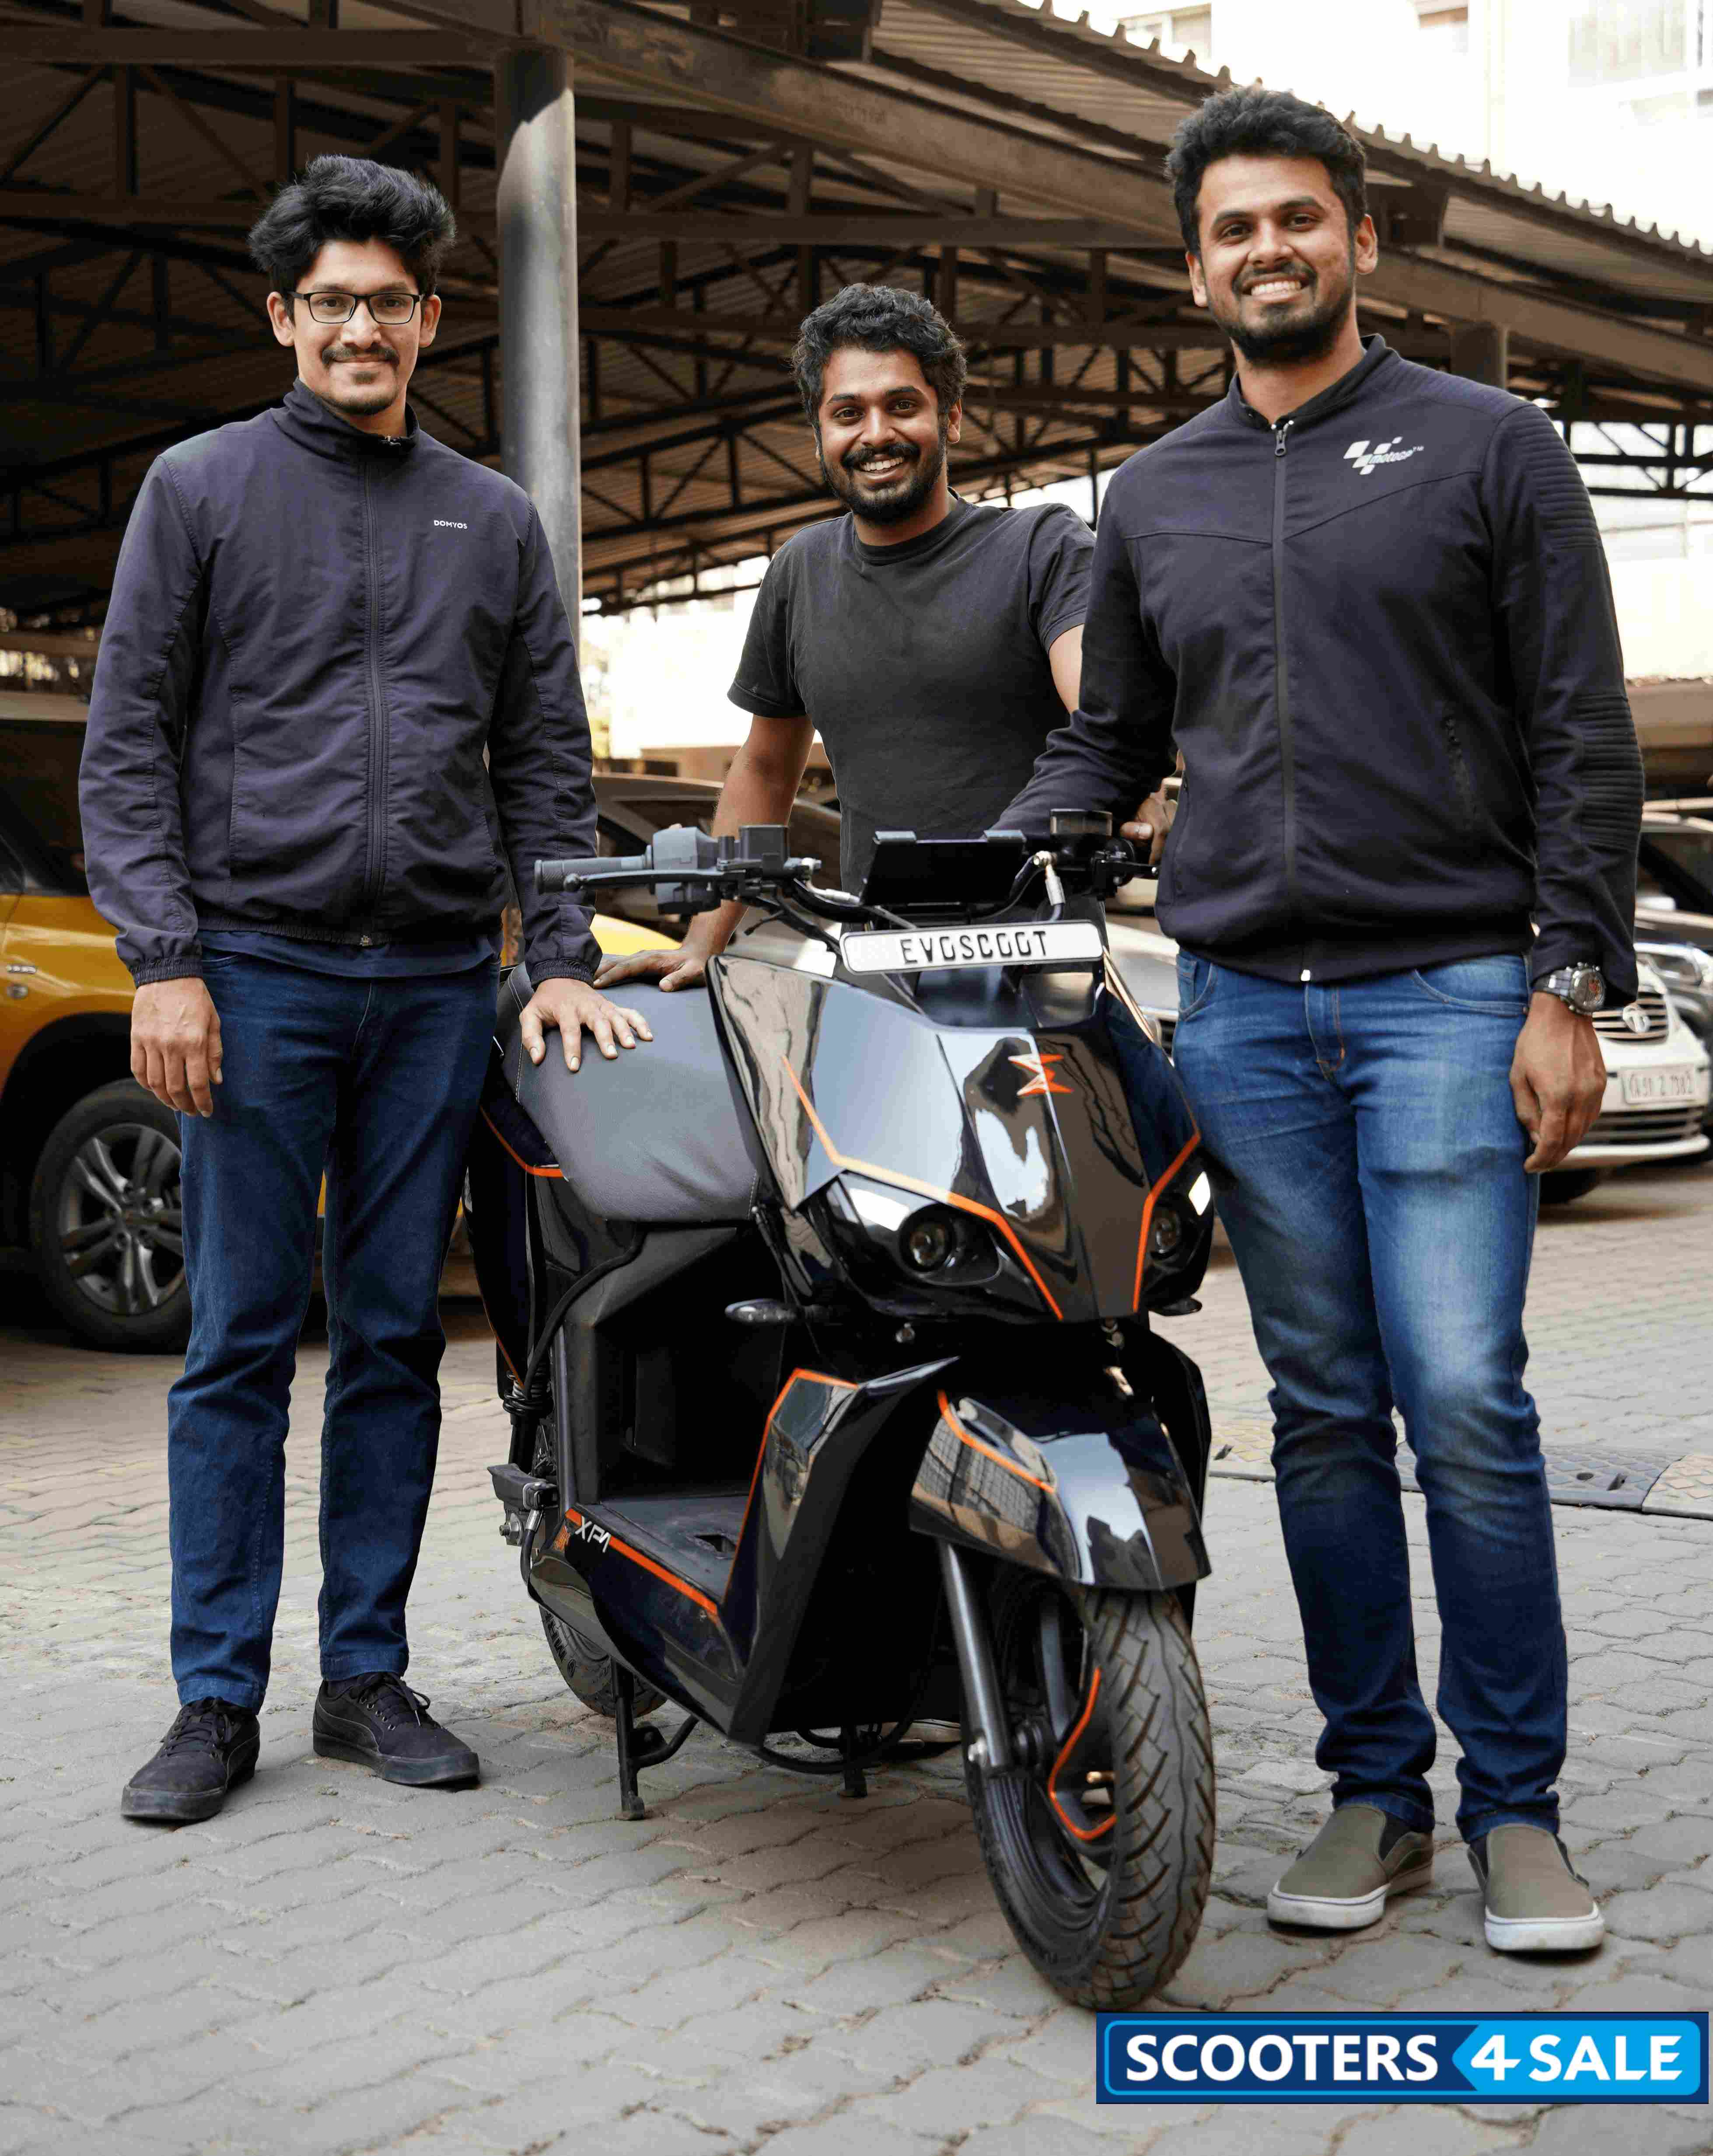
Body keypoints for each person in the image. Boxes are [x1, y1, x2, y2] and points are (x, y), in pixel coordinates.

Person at [1005, 87, 1643, 1954]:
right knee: (1324, 1417)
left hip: (1449, 990)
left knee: (1466, 1401)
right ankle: (1378, 1790)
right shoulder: (1155, 492)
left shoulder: (1490, 446)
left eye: (1297, 217)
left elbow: (1579, 727)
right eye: (1232, 228)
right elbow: (1114, 740)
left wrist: (1569, 979)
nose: (1265, 249)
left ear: (1361, 239)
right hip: (1244, 1012)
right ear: (1193, 267)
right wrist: (981, 861)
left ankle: (1517, 1807)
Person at [83, 155, 647, 1825]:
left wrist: (557, 957)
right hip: (254, 976)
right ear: (283, 316)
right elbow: (128, 742)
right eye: (330, 302)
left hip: (431, 987)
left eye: (387, 304)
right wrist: (165, 963)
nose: (359, 330)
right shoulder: (199, 489)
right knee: (239, 1342)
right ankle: (214, 1699)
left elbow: (546, 760)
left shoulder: (495, 518)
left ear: (430, 320)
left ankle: (365, 1679)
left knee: (395, 1337)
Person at [594, 283, 1164, 994]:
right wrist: (705, 939)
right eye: (847, 413)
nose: (875, 434)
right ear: (819, 435)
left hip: (1039, 958)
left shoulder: (1041, 548)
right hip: (878, 965)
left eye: (901, 405)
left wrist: (1136, 787)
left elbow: (1104, 717)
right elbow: (765, 770)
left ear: (951, 415)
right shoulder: (800, 572)